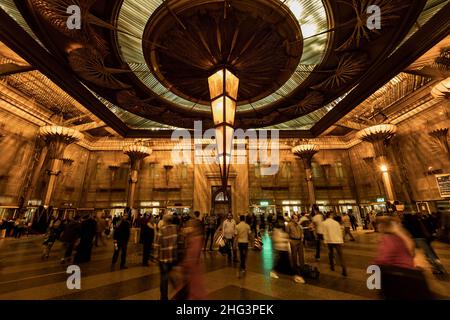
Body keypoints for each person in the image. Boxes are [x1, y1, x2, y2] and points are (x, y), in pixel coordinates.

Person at [374, 216, 435, 299]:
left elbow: (383, 259)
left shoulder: (388, 238)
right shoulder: (402, 236)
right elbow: (411, 250)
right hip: (412, 272)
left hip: (401, 276)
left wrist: (376, 265)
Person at [172, 211, 206, 300]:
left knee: (192, 292)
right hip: (191, 273)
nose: (188, 228)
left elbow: (192, 257)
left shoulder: (196, 239)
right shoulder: (194, 238)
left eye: (191, 226)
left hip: (190, 273)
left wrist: (183, 266)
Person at [154, 214, 178, 300]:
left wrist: (156, 255)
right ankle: (178, 291)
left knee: (164, 278)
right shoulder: (176, 228)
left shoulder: (162, 230)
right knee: (172, 275)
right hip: (173, 257)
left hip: (163, 258)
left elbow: (157, 244)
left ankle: (164, 297)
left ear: (164, 221)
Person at [322, 212, 347, 276]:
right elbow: (340, 232)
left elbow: (324, 233)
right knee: (341, 256)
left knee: (330, 254)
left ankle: (332, 266)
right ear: (331, 216)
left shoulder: (324, 223)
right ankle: (344, 269)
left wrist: (325, 241)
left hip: (330, 241)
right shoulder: (336, 223)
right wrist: (342, 241)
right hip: (338, 240)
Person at [286, 214, 306, 284]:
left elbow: (302, 232)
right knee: (294, 255)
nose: (296, 219)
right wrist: (289, 240)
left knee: (301, 255)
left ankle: (302, 267)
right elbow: (287, 233)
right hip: (293, 241)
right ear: (292, 219)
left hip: (299, 241)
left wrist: (302, 237)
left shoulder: (299, 225)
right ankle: (295, 267)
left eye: (297, 218)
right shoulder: (289, 225)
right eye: (294, 218)